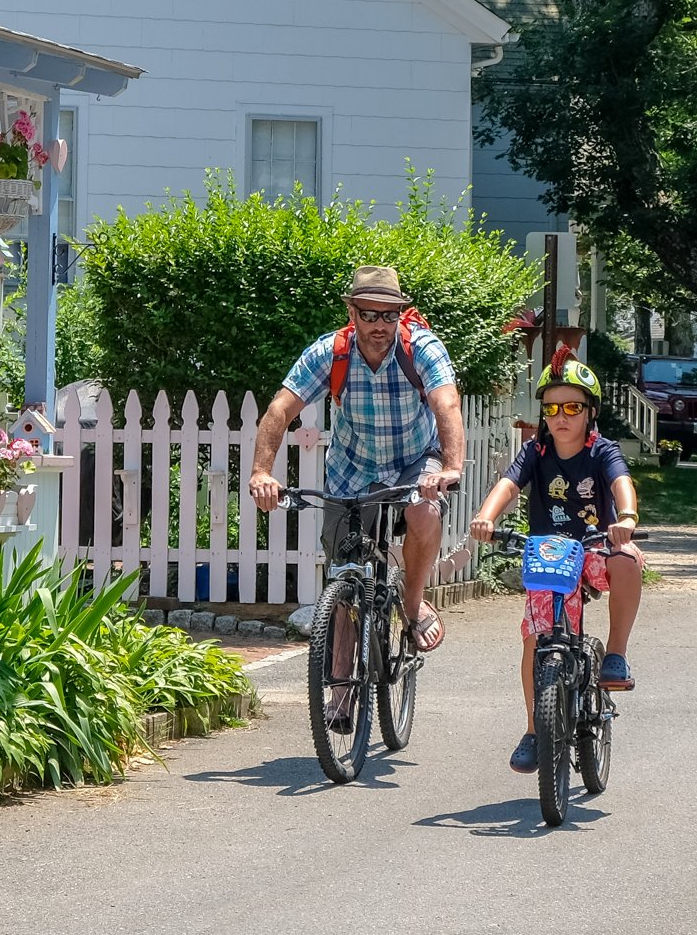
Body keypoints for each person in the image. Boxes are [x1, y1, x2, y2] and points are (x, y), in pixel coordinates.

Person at [248, 266, 466, 731]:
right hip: (352, 470)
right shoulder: (331, 353)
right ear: (352, 313)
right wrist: (261, 472)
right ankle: (342, 692)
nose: (380, 325)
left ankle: (411, 602)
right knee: (346, 579)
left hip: (414, 461)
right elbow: (280, 409)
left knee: (424, 510)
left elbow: (446, 404)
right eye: (369, 314)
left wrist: (450, 467)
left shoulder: (419, 348)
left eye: (391, 314)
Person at [469, 357, 642, 774]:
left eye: (571, 408)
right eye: (551, 408)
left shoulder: (602, 451)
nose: (560, 417)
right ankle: (533, 729)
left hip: (594, 549)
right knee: (534, 640)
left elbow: (621, 483)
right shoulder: (535, 452)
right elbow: (508, 484)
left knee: (628, 560)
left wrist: (627, 519)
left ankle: (615, 654)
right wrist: (486, 516)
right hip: (548, 559)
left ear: (591, 411)